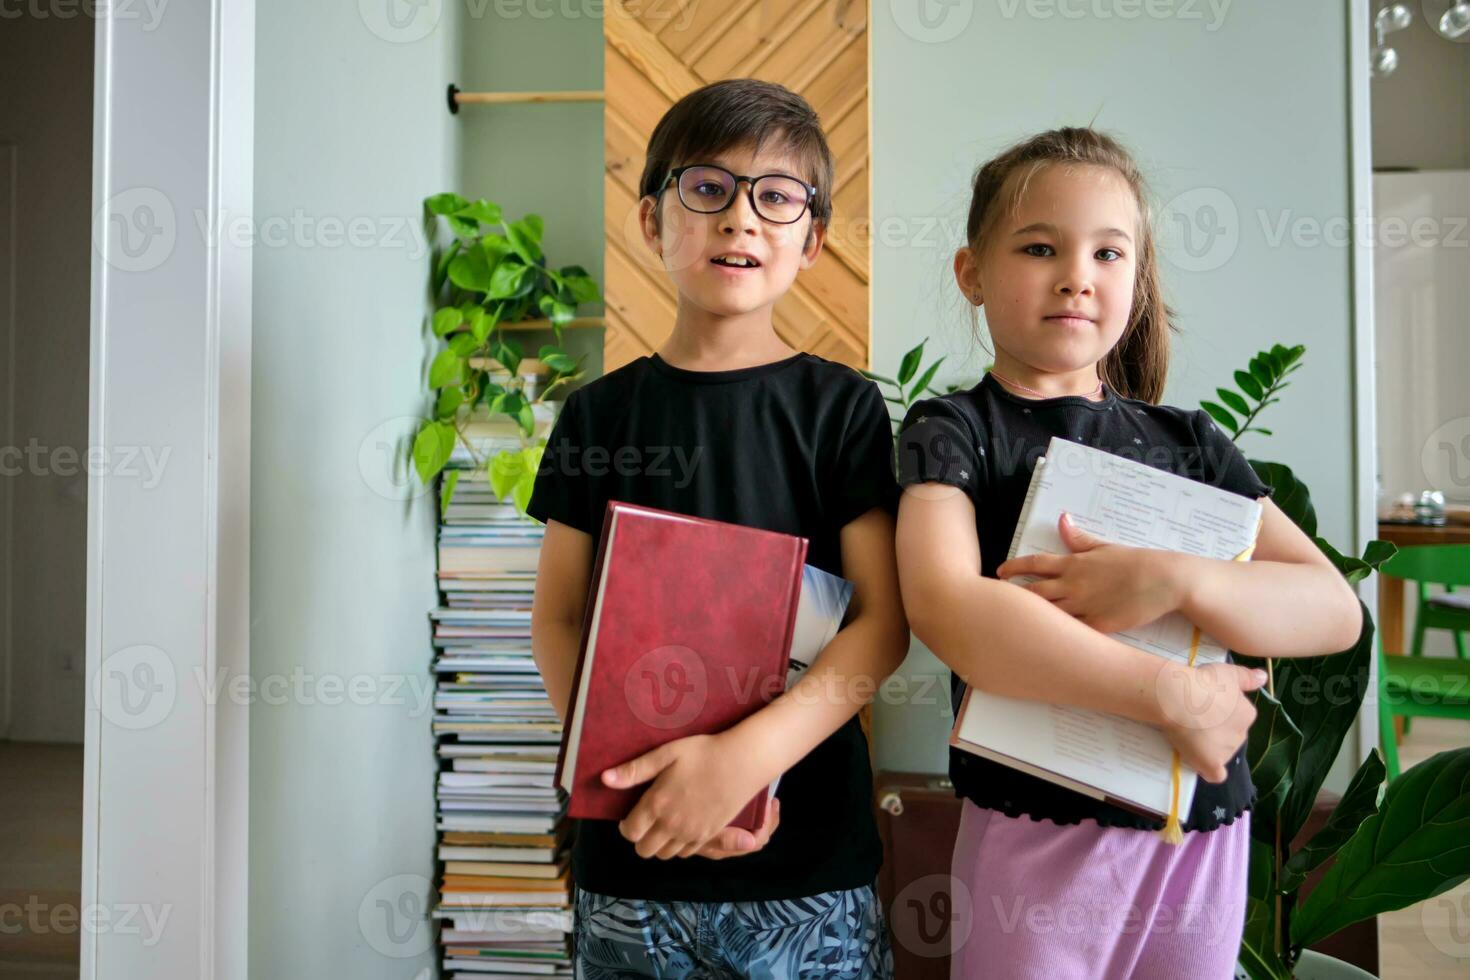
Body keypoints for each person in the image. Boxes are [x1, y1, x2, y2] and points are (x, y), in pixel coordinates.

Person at [893, 126, 1363, 979]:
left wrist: (1168, 577)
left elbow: (1333, 610)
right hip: (1038, 831)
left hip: (1202, 835)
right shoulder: (953, 430)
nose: (1078, 274)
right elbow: (948, 608)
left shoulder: (1193, 442)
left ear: (1137, 281)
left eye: (1110, 254)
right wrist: (1171, 695)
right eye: (1040, 247)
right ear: (972, 273)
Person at [528, 78, 908, 979]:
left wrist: (740, 766)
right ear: (653, 221)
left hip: (808, 867)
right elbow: (557, 619)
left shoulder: (842, 410)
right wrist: (645, 777)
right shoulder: (596, 417)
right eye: (708, 188)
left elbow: (884, 625)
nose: (741, 218)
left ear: (810, 241)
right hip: (634, 851)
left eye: (776, 197)